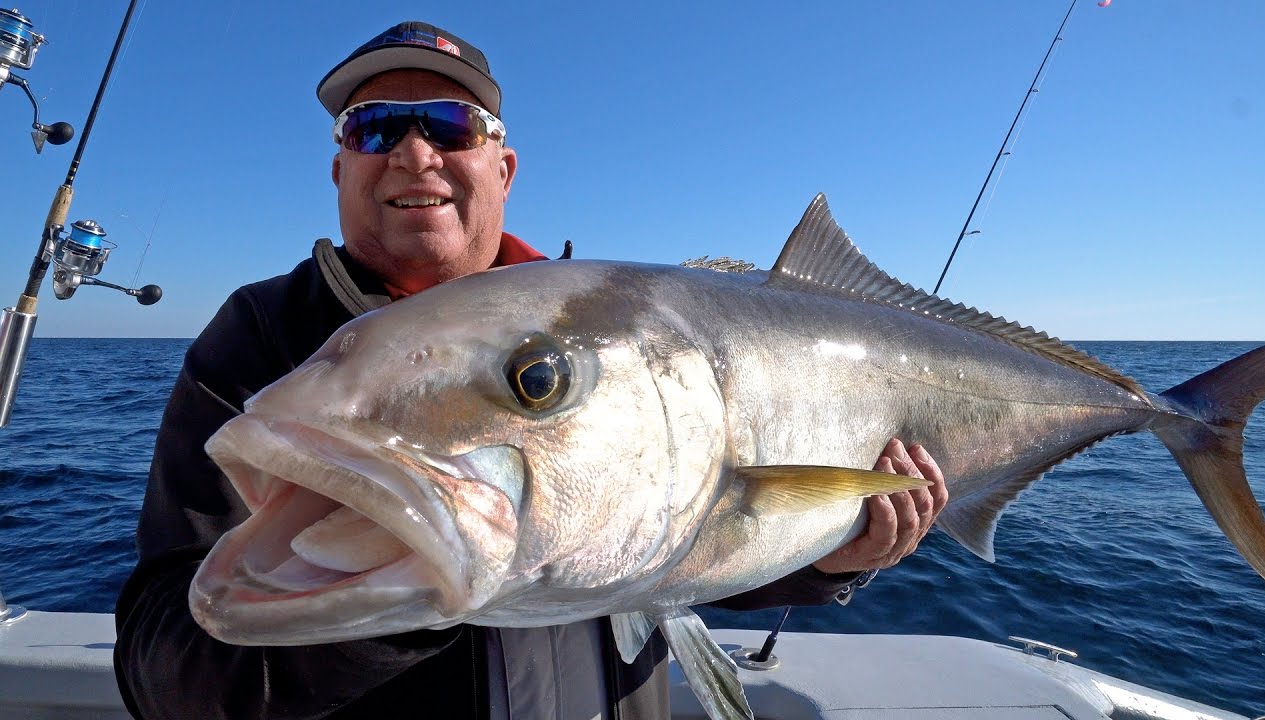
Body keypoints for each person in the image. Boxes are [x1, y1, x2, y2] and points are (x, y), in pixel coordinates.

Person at [113, 21, 949, 720]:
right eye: (374, 128)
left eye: (448, 125)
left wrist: (832, 561)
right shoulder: (263, 337)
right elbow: (168, 671)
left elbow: (673, 549)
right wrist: (407, 588)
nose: (413, 154)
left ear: (501, 169)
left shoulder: (615, 337)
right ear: (340, 170)